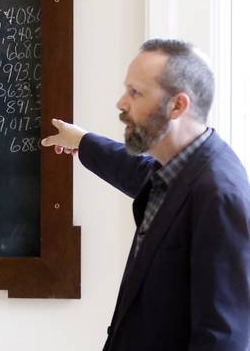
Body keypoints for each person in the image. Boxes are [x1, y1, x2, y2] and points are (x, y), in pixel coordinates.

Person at [42, 39, 250, 350]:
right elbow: (134, 170)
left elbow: (223, 338)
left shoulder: (219, 194)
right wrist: (82, 141)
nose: (121, 103)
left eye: (135, 93)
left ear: (177, 106)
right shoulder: (177, 169)